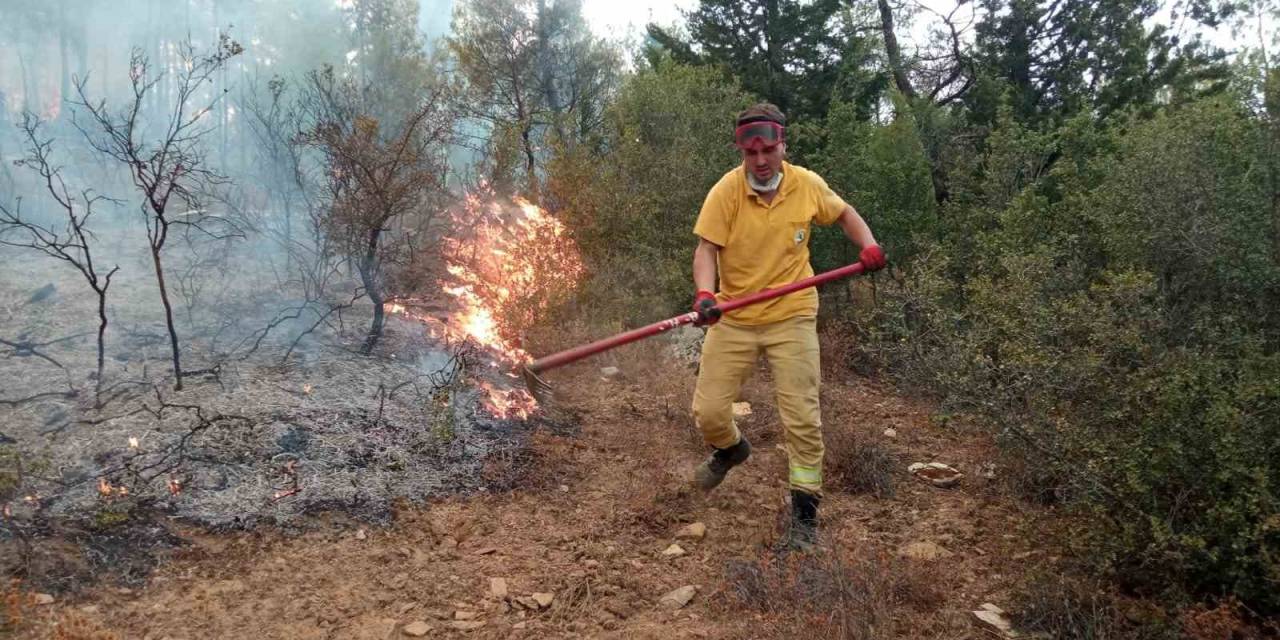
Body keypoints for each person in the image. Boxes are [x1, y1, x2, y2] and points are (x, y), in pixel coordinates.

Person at [689, 103, 886, 550]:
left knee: (801, 417)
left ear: (783, 146)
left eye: (769, 150)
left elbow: (845, 215)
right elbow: (706, 250)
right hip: (735, 315)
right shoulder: (726, 191)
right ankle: (731, 449)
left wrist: (869, 244)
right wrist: (706, 294)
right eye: (751, 153)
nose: (760, 161)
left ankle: (804, 517)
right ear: (742, 151)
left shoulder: (807, 185)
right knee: (709, 413)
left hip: (792, 314)